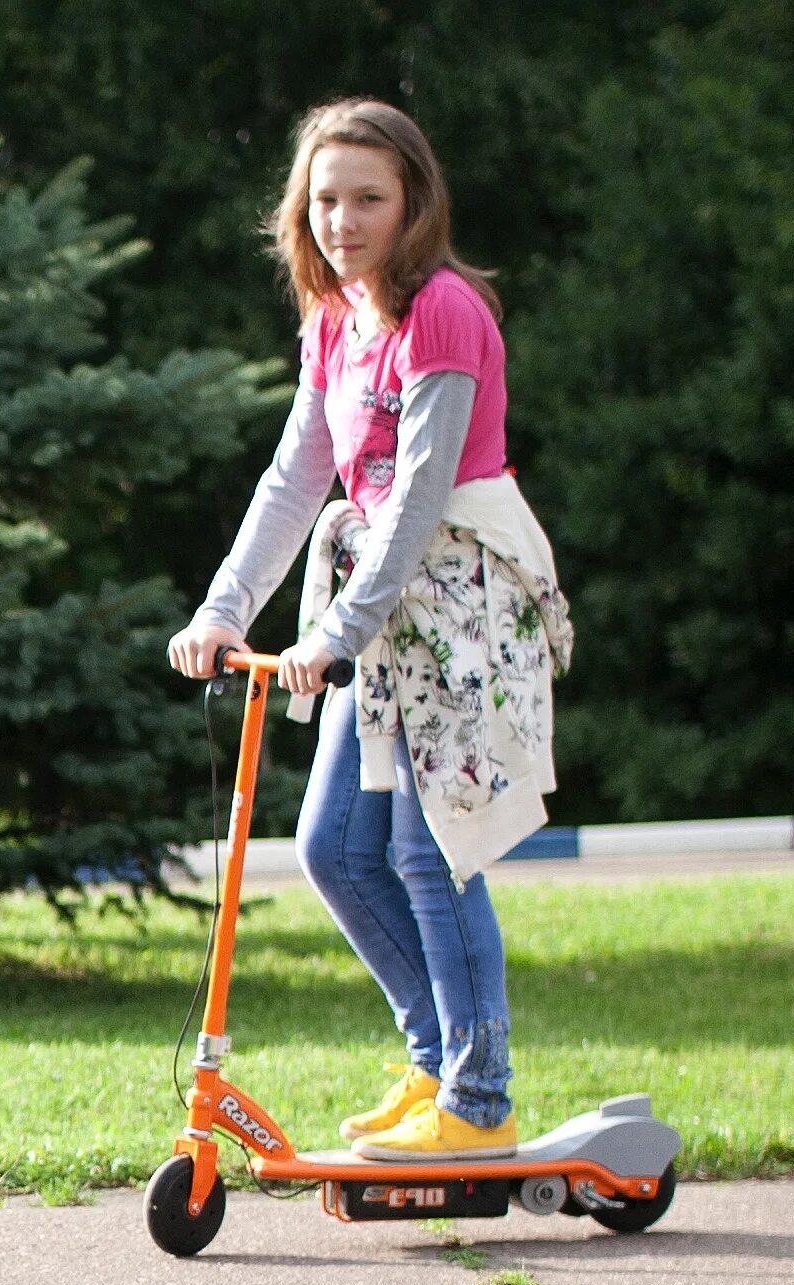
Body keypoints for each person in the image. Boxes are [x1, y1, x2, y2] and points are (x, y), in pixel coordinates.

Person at [166, 98, 571, 1161]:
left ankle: (479, 1102)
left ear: (413, 203)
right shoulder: (335, 318)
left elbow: (420, 496)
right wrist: (223, 605)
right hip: (372, 609)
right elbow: (299, 474)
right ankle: (436, 1062)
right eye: (325, 198)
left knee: (428, 851)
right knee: (337, 848)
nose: (343, 219)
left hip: (455, 602)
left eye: (368, 199)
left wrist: (337, 630)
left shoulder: (441, 311)